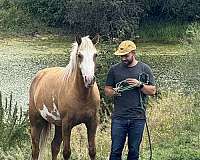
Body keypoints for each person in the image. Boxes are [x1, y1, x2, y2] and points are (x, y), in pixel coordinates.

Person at [104, 40, 156, 160]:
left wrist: (140, 85)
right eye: (121, 56)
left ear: (133, 53)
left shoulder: (144, 69)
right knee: (115, 151)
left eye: (126, 55)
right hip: (119, 118)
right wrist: (114, 92)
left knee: (133, 151)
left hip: (138, 118)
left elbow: (153, 91)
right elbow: (107, 90)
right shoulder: (114, 70)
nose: (123, 58)